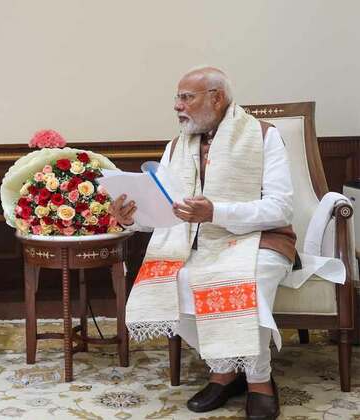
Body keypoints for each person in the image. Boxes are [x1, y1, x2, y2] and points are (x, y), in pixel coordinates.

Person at [109, 67, 295, 420]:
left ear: (216, 98)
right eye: (177, 98)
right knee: (170, 283)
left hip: (260, 239)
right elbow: (166, 212)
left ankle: (259, 381)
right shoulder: (176, 147)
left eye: (186, 97)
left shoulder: (264, 136)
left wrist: (216, 212)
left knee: (243, 284)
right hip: (193, 241)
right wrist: (132, 218)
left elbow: (280, 208)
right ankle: (224, 371)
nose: (177, 106)